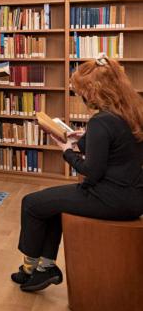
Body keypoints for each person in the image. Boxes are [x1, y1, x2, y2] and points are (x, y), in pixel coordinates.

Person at [12, 54, 143, 292]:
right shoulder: (132, 112)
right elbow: (117, 147)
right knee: (50, 204)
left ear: (94, 90)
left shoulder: (101, 121)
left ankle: (31, 267)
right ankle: (44, 267)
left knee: (31, 203)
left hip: (108, 197)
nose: (79, 95)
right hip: (133, 196)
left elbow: (91, 172)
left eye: (81, 90)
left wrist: (67, 151)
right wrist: (85, 138)